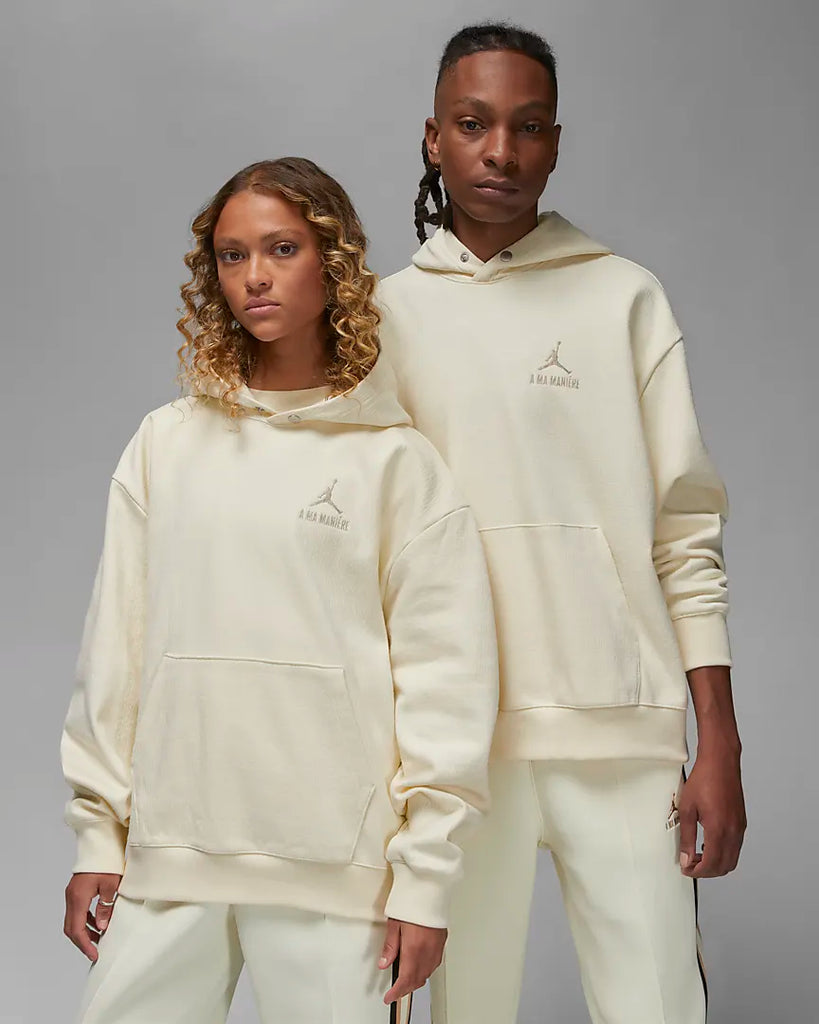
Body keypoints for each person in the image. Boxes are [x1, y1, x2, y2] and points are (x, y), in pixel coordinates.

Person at [60, 157, 499, 1024]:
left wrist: (424, 881)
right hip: (172, 857)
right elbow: (114, 653)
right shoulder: (165, 445)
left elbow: (446, 684)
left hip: (338, 873)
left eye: (281, 249)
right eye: (232, 256)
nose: (254, 275)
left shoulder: (396, 464)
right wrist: (96, 835)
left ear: (332, 263)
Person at [377, 23, 747, 1024]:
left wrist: (718, 742)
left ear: (554, 143)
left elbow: (685, 532)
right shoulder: (380, 320)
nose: (500, 151)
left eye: (528, 126)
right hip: (453, 750)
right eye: (472, 124)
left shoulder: (624, 297)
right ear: (433, 138)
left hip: (619, 730)